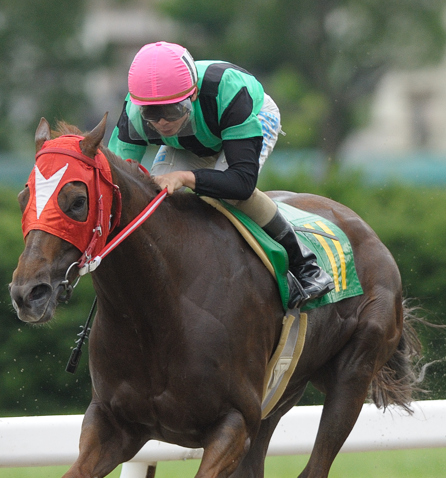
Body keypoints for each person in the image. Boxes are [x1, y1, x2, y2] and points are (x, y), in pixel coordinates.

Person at [107, 41, 334, 308]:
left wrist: (185, 177)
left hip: (250, 117)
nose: (162, 122)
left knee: (226, 196)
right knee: (153, 201)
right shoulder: (134, 113)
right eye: (152, 113)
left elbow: (241, 183)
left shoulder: (228, 91)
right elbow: (116, 185)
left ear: (192, 95)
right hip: (192, 136)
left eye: (171, 110)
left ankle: (305, 264)